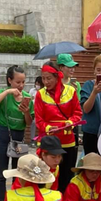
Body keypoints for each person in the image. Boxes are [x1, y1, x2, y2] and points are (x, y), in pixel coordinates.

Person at [0, 65, 34, 201]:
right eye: (17, 82)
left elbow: (29, 123)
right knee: (2, 170)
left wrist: (26, 111)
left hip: (18, 135)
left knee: (18, 170)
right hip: (2, 133)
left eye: (23, 82)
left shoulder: (27, 97)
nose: (21, 85)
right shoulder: (3, 93)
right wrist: (8, 91)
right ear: (9, 80)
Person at [35, 62, 82, 193]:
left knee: (66, 178)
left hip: (67, 142)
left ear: (57, 77)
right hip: (48, 142)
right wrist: (48, 128)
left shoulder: (71, 91)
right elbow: (39, 120)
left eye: (49, 78)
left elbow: (77, 113)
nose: (45, 82)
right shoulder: (40, 94)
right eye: (43, 78)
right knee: (45, 178)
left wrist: (70, 122)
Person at [80, 54, 101, 157]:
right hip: (91, 132)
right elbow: (86, 109)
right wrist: (94, 92)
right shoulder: (88, 85)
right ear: (94, 71)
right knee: (90, 164)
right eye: (98, 70)